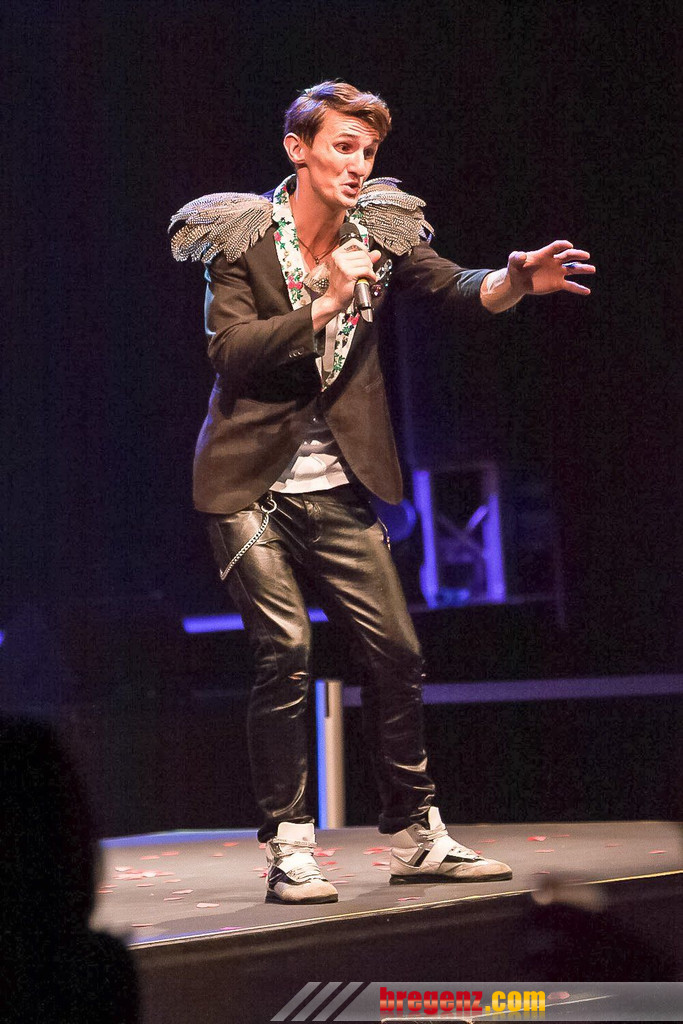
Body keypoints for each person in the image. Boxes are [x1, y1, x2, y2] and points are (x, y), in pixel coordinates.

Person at [170, 80, 594, 905]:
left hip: (337, 487)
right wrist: (326, 301)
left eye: (367, 151)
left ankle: (414, 833)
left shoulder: (378, 229)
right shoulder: (240, 237)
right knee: (285, 651)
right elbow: (230, 351)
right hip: (247, 485)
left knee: (396, 650)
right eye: (342, 147)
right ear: (297, 150)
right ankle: (290, 846)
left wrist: (513, 282)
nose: (358, 164)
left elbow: (456, 286)